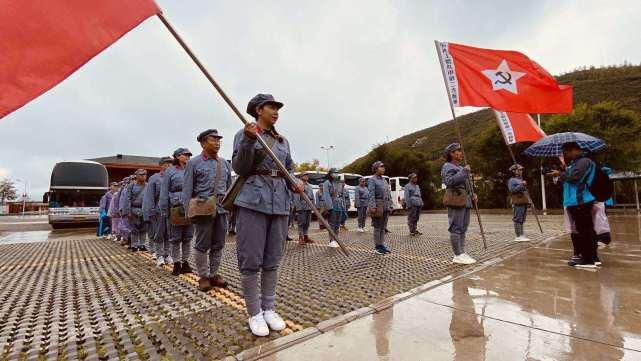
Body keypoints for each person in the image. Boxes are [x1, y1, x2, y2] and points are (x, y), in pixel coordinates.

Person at [232, 94, 303, 336]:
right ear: (259, 110)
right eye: (272, 107)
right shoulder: (244, 134)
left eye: (277, 108)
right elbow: (240, 168)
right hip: (253, 200)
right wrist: (249, 141)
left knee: (273, 258)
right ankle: (254, 312)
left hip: (280, 202)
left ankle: (269, 308)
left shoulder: (282, 141)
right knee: (251, 259)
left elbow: (290, 168)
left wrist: (295, 181)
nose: (276, 112)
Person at [183, 131, 232, 291]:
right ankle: (203, 276)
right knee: (202, 245)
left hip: (221, 209)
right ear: (203, 143)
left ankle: (214, 274)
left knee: (218, 244)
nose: (217, 143)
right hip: (202, 209)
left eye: (219, 140)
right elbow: (187, 189)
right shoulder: (194, 163)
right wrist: (187, 212)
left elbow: (229, 188)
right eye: (213, 140)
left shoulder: (224, 163)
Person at [547, 142, 598, 269]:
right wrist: (563, 173)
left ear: (575, 150)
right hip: (576, 200)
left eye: (566, 152)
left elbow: (575, 177)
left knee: (584, 230)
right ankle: (589, 256)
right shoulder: (577, 163)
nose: (565, 155)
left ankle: (588, 259)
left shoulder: (583, 161)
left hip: (580, 200)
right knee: (585, 229)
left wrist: (560, 174)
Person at [161, 147, 195, 276]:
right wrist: (165, 210)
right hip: (175, 208)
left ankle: (185, 262)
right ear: (177, 157)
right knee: (175, 238)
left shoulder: (191, 169)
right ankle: (176, 263)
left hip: (190, 207)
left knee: (187, 237)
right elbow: (164, 192)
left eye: (188, 155)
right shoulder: (170, 171)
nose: (187, 157)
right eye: (184, 155)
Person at [441, 143, 477, 265]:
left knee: (463, 228)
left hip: (465, 200)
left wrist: (473, 194)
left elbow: (467, 184)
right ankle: (457, 255)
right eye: (458, 151)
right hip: (455, 199)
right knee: (456, 227)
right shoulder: (447, 166)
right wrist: (464, 172)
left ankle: (462, 252)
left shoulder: (461, 167)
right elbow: (449, 181)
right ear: (451, 153)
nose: (461, 153)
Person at [143, 157, 173, 265]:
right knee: (159, 234)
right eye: (167, 163)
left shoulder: (173, 176)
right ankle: (159, 255)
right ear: (161, 165)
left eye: (171, 163)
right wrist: (151, 211)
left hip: (171, 210)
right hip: (158, 210)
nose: (169, 165)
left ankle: (167, 254)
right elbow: (149, 196)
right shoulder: (154, 178)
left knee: (169, 234)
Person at [368, 161, 393, 255]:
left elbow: (388, 194)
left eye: (383, 166)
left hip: (385, 206)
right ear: (375, 169)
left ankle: (382, 244)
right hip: (378, 205)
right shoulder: (372, 180)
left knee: (383, 227)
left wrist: (390, 205)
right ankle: (377, 247)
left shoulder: (384, 180)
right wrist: (372, 206)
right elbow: (371, 194)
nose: (383, 168)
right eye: (381, 167)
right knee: (377, 227)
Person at [123, 169, 148, 252]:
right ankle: (134, 245)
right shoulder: (131, 186)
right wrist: (128, 211)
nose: (143, 176)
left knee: (144, 228)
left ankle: (142, 245)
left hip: (145, 209)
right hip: (133, 209)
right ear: (136, 176)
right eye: (141, 175)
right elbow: (127, 199)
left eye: (144, 174)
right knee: (134, 229)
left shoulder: (148, 186)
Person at [322, 168, 347, 248]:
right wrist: (330, 207)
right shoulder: (327, 183)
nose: (336, 174)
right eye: (334, 173)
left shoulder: (339, 182)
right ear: (330, 174)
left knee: (337, 223)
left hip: (339, 205)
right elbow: (326, 195)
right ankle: (331, 240)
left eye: (337, 172)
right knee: (332, 223)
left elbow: (342, 194)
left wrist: (344, 206)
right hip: (332, 205)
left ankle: (336, 239)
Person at [507, 164, 530, 242]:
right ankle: (518, 235)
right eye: (519, 170)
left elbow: (525, 191)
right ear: (514, 171)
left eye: (521, 170)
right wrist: (521, 185)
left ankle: (521, 234)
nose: (521, 171)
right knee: (517, 219)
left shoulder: (520, 179)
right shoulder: (512, 180)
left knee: (522, 219)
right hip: (517, 201)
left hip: (523, 201)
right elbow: (512, 190)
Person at [293, 172, 315, 245]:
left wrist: (313, 206)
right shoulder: (299, 184)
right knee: (301, 223)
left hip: (309, 207)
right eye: (305, 175)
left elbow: (312, 196)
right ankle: (300, 238)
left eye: (307, 175)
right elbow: (296, 197)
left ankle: (306, 236)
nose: (306, 176)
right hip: (302, 207)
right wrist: (298, 207)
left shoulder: (309, 186)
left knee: (307, 223)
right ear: (301, 176)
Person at [118, 176, 133, 247]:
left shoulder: (129, 189)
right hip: (125, 210)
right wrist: (121, 209)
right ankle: (127, 240)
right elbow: (121, 199)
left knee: (129, 227)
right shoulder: (124, 189)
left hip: (131, 210)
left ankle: (129, 241)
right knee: (125, 226)